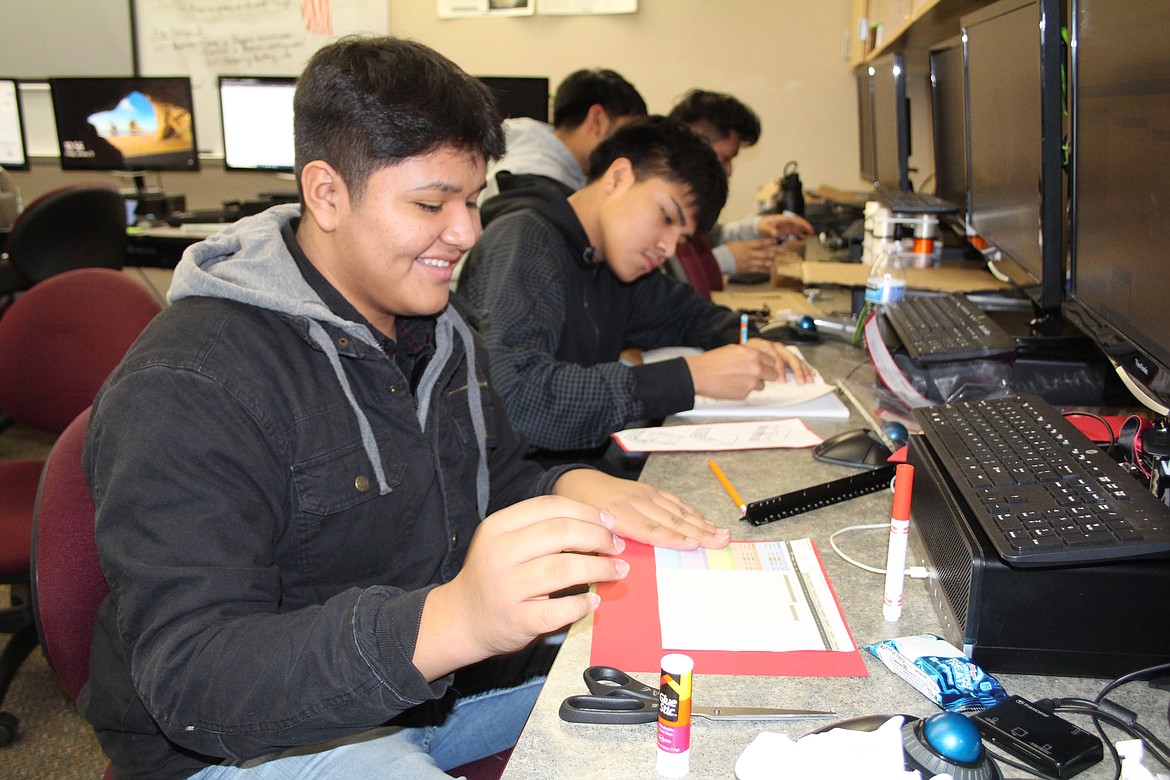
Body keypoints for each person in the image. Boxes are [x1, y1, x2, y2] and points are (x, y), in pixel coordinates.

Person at [80, 36, 728, 780]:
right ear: (326, 193)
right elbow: (193, 679)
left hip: (428, 694)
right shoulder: (191, 380)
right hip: (238, 744)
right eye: (430, 203)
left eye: (471, 199)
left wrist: (577, 490)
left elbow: (492, 476)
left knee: (685, 687)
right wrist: (454, 621)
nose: (467, 233)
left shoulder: (441, 330)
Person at [458, 116, 813, 472]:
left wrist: (749, 339)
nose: (668, 248)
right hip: (523, 493)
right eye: (666, 217)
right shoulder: (524, 242)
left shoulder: (607, 259)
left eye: (682, 239)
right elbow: (517, 401)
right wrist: (690, 378)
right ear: (618, 177)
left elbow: (685, 315)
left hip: (576, 472)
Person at [667, 89, 815, 279]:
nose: (728, 171)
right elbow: (658, 277)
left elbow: (710, 237)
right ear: (690, 146)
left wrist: (758, 227)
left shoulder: (689, 201)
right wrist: (724, 261)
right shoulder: (660, 204)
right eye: (723, 159)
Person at [479, 67, 647, 203]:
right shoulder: (537, 183)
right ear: (597, 119)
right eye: (626, 133)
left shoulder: (525, 139)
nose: (628, 148)